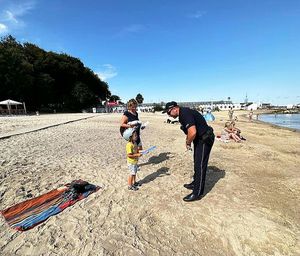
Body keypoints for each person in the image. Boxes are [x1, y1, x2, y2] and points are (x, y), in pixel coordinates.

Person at [163, 101, 215, 202]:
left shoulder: (185, 114)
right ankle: (195, 183)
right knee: (197, 162)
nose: (168, 115)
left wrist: (188, 142)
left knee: (200, 165)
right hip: (199, 139)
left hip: (205, 139)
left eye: (168, 112)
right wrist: (189, 140)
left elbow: (193, 132)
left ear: (175, 108)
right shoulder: (183, 114)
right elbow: (190, 131)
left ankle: (197, 193)